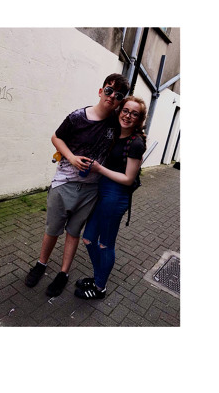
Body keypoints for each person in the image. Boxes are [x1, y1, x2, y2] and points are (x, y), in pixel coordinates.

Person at [24, 73, 129, 297]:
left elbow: (133, 125)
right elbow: (56, 137)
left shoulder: (116, 122)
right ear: (100, 91)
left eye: (118, 95)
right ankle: (41, 264)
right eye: (109, 90)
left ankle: (63, 273)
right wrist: (71, 158)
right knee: (52, 230)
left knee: (74, 233)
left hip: (91, 189)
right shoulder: (78, 117)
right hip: (64, 183)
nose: (112, 96)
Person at [74, 96, 147, 300]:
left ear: (139, 119)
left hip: (115, 197)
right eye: (125, 110)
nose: (128, 116)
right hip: (103, 193)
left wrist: (99, 169)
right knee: (88, 238)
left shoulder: (136, 143)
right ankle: (98, 276)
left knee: (105, 244)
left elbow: (128, 178)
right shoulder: (115, 134)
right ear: (120, 111)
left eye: (134, 114)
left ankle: (100, 287)